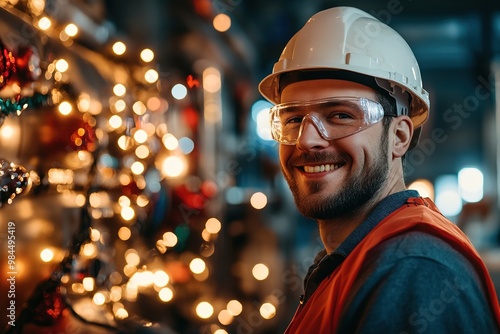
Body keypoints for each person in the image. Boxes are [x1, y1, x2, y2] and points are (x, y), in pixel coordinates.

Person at [258, 6, 500, 333]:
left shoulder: (411, 268)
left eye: (340, 115)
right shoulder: (358, 258)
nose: (307, 140)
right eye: (293, 119)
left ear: (399, 137)